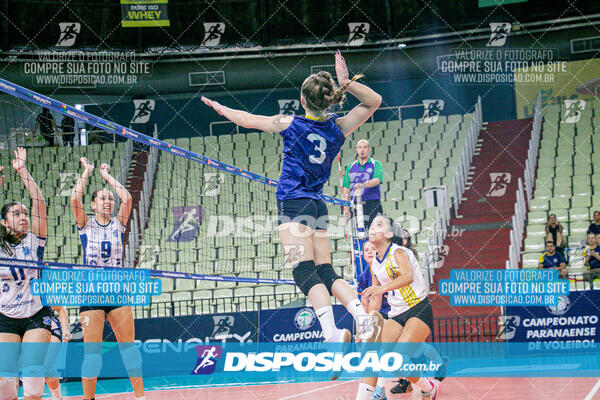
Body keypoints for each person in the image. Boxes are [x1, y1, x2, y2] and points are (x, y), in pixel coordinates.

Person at [202, 50, 384, 349]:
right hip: (317, 203)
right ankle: (362, 318)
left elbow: (247, 120)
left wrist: (221, 108)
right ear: (329, 100)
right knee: (326, 271)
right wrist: (346, 81)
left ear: (303, 100)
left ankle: (333, 335)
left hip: (293, 202)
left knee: (303, 271)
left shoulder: (291, 124)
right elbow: (373, 102)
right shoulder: (338, 128)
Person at [70, 158, 144, 400]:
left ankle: (140, 397)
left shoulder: (118, 224)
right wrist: (87, 172)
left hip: (117, 292)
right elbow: (74, 200)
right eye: (102, 198)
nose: (108, 201)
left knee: (129, 349)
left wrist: (107, 178)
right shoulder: (85, 224)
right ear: (93, 204)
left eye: (109, 199)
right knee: (92, 354)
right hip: (91, 293)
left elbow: (128, 199)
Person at [359, 215, 439, 400]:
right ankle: (427, 386)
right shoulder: (375, 263)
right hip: (396, 315)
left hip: (418, 309)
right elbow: (377, 298)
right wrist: (369, 319)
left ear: (388, 233)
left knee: (399, 359)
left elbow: (407, 277)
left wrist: (381, 288)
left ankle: (428, 387)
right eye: (371, 225)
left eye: (378, 225)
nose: (372, 228)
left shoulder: (398, 252)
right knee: (384, 359)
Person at [0, 147, 51, 400]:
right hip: (6, 315)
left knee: (31, 377)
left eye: (24, 213)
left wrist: (22, 171)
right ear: (3, 221)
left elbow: (39, 204)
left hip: (35, 313)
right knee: (5, 383)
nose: (23, 217)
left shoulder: (34, 240)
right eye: (16, 213)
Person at [342, 139, 384, 229]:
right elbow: (346, 188)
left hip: (372, 205)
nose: (362, 150)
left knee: (376, 233)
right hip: (355, 206)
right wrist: (345, 207)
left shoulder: (376, 164)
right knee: (358, 235)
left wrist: (363, 184)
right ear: (356, 150)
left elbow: (377, 180)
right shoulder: (350, 167)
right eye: (359, 147)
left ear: (369, 149)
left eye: (365, 147)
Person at [44, 306, 71, 400]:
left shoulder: (41, 292)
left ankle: (57, 397)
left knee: (45, 364)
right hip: (20, 329)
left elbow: (61, 309)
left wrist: (65, 331)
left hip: (51, 329)